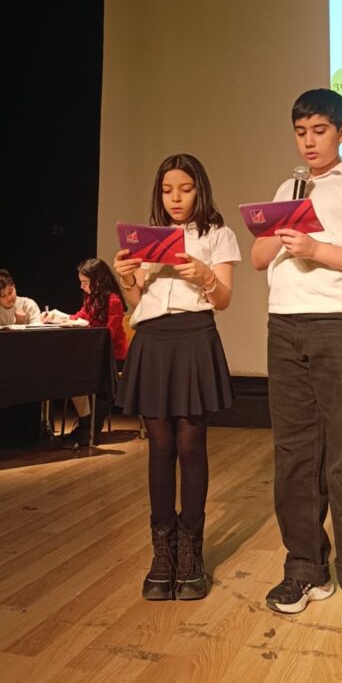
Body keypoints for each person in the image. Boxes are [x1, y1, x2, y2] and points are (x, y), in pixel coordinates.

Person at [250, 88, 342, 631]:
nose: (309, 142)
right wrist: (279, 231)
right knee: (293, 453)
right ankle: (306, 568)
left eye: (319, 130)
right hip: (286, 326)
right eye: (300, 132)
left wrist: (315, 250)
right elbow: (258, 257)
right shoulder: (288, 187)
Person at [114, 153, 241, 602]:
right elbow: (137, 302)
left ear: (199, 190)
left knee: (190, 444)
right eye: (168, 190)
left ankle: (191, 552)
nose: (176, 198)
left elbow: (223, 299)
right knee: (160, 447)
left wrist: (204, 274)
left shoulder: (218, 234)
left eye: (185, 189)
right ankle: (162, 554)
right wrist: (127, 277)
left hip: (194, 337)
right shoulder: (147, 238)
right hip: (152, 339)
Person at [44, 258, 128, 447]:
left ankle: (88, 428)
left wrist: (84, 323)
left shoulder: (113, 301)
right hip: (94, 354)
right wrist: (59, 317)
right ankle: (86, 423)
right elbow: (80, 316)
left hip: (113, 356)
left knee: (92, 381)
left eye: (84, 282)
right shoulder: (91, 298)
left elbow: (108, 334)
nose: (81, 286)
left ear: (97, 281)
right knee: (72, 375)